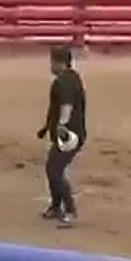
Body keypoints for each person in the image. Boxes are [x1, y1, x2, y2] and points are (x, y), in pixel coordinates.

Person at [36, 45, 86, 227]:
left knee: (54, 170)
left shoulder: (62, 83)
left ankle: (70, 210)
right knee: (53, 168)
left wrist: (62, 126)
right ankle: (56, 206)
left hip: (69, 136)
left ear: (58, 62)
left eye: (51, 61)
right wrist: (46, 127)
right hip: (74, 133)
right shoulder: (73, 77)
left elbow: (67, 106)